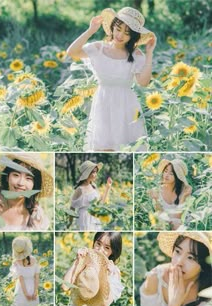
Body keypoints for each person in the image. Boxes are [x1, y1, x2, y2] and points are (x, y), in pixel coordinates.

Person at [67, 7, 156, 151]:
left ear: (132, 37)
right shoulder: (99, 49)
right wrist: (91, 30)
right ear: (112, 27)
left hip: (126, 104)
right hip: (103, 102)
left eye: (127, 33)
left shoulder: (136, 54)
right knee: (103, 145)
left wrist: (149, 53)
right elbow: (72, 52)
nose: (120, 35)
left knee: (127, 147)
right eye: (118, 28)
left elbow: (144, 82)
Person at [0, 153, 53, 230]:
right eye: (16, 175)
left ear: (34, 184)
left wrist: (36, 228)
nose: (20, 183)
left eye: (28, 178)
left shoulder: (35, 212)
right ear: (7, 177)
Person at [140, 232, 212, 306]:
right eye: (177, 251)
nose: (179, 262)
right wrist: (173, 305)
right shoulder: (155, 278)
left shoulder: (208, 292)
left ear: (206, 262)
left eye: (190, 257)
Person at [62, 232, 124, 306]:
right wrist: (78, 262)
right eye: (98, 243)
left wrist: (108, 276)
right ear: (94, 242)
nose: (100, 250)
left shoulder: (114, 272)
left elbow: (106, 303)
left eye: (107, 248)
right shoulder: (85, 260)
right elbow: (65, 286)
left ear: (113, 251)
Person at [148, 159, 192, 230]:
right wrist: (156, 199)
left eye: (171, 174)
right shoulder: (157, 190)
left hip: (179, 224)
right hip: (164, 224)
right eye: (165, 171)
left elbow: (178, 217)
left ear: (178, 177)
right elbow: (159, 213)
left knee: (177, 223)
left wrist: (183, 196)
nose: (166, 175)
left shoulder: (184, 191)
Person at [70, 160, 112, 230]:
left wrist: (107, 187)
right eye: (92, 172)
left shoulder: (93, 187)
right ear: (86, 173)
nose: (95, 174)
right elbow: (72, 208)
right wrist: (70, 224)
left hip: (94, 218)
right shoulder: (80, 189)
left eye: (96, 172)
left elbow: (100, 204)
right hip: (83, 218)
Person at [10, 236, 40, 306]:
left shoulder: (16, 262)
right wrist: (35, 291)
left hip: (21, 290)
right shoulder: (34, 260)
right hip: (32, 288)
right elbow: (36, 277)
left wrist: (26, 294)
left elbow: (21, 279)